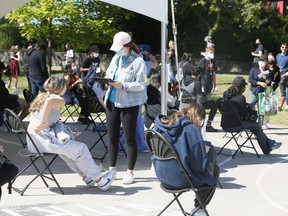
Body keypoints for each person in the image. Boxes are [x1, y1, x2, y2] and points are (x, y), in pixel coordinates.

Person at [27, 76, 114, 191]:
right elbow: (45, 120)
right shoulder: (57, 99)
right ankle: (100, 180)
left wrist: (66, 130)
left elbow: (49, 122)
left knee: (68, 151)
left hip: (34, 142)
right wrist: (43, 123)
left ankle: (87, 177)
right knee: (81, 149)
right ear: (61, 88)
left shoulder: (41, 96)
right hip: (44, 140)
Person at [153, 103, 219, 216]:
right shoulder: (190, 130)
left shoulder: (162, 125)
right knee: (214, 169)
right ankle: (200, 208)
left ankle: (199, 208)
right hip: (181, 179)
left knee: (207, 152)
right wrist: (203, 153)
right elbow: (199, 166)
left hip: (162, 175)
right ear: (199, 118)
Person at [104, 31, 147, 184]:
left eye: (120, 48)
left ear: (128, 46)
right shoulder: (116, 58)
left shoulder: (138, 62)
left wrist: (123, 85)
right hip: (111, 100)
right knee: (112, 137)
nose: (118, 51)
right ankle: (112, 169)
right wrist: (106, 80)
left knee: (130, 138)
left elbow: (141, 85)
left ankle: (130, 172)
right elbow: (109, 73)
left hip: (129, 103)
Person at [223, 76, 282, 155]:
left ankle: (270, 144)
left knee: (254, 127)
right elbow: (245, 116)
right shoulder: (241, 97)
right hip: (236, 125)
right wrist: (250, 110)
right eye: (244, 86)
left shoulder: (225, 95)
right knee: (257, 126)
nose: (245, 88)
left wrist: (245, 105)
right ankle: (267, 149)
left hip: (225, 123)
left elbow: (233, 106)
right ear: (242, 87)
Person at [180, 63, 218, 132]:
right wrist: (207, 98)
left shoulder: (183, 80)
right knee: (214, 103)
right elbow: (200, 100)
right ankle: (208, 125)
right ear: (200, 74)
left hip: (182, 104)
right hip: (192, 106)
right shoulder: (197, 83)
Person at [248, 54, 271, 128]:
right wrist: (259, 83)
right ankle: (250, 124)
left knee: (262, 110)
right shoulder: (254, 69)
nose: (261, 62)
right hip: (254, 91)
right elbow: (250, 80)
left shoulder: (268, 71)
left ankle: (259, 126)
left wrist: (266, 80)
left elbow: (269, 82)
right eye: (260, 60)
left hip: (263, 92)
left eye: (263, 61)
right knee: (251, 108)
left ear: (266, 62)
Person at [275, 42, 288, 111]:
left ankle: (280, 107)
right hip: (277, 76)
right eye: (283, 47)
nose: (284, 48)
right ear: (280, 48)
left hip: (284, 76)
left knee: (282, 91)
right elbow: (276, 64)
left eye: (285, 47)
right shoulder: (278, 55)